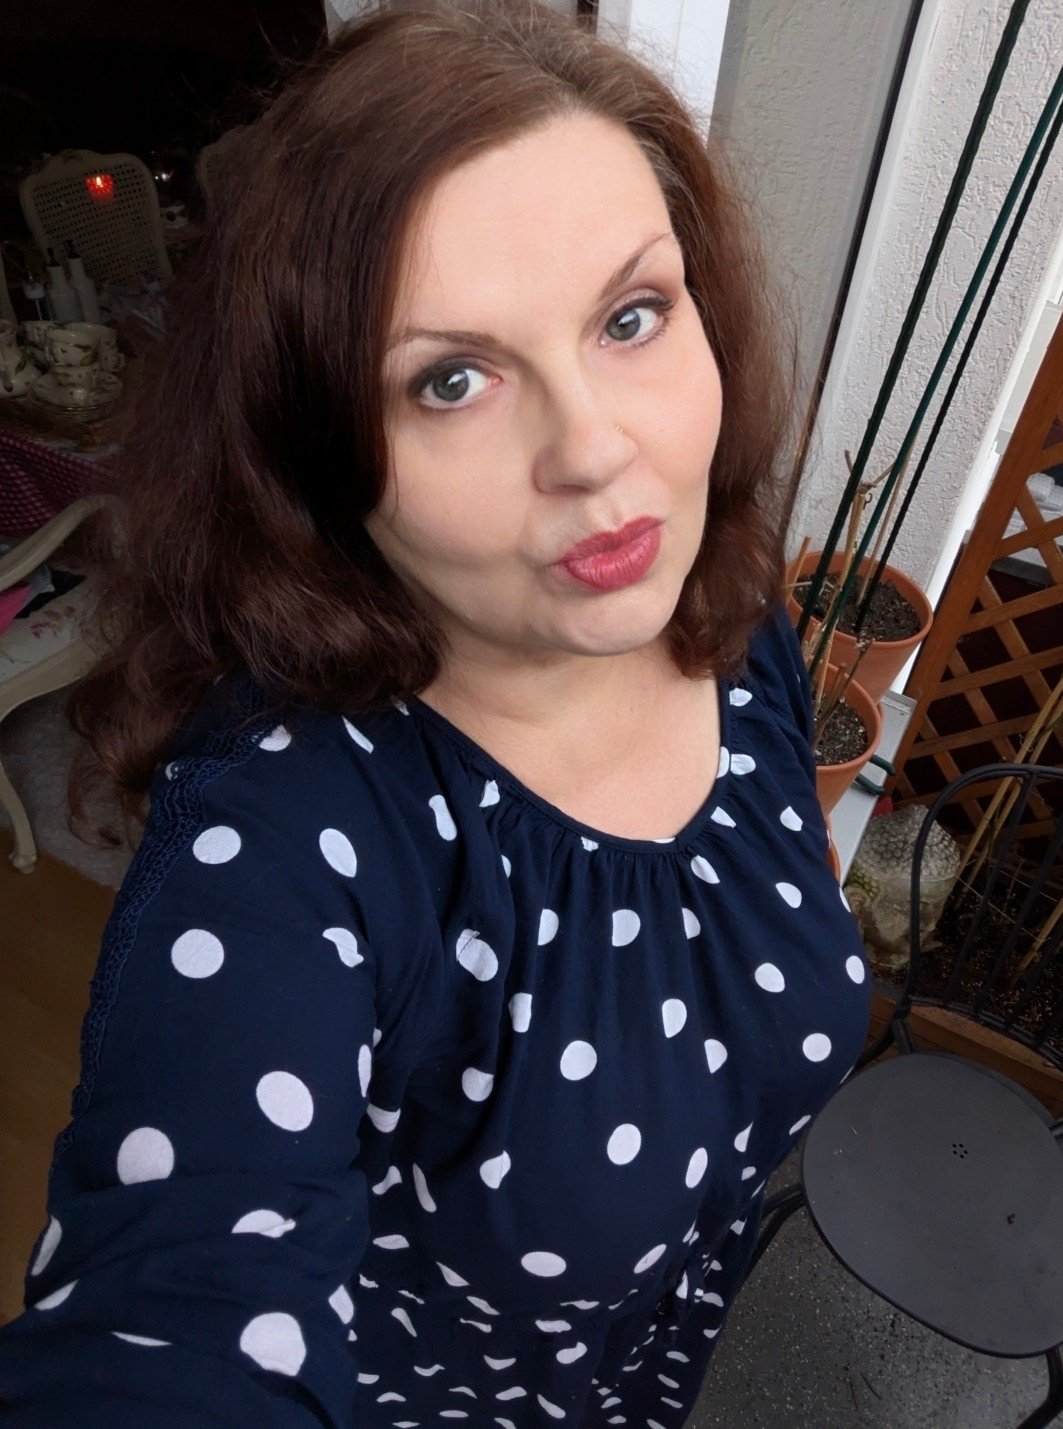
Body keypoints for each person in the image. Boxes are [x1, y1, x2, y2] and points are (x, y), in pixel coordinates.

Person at [0, 1, 872, 1423]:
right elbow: (180, 1300)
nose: (596, 449)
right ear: (314, 456)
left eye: (632, 316)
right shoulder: (285, 839)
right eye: (449, 380)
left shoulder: (729, 610)